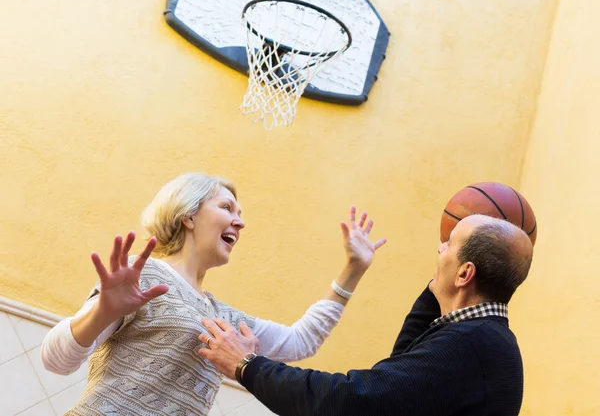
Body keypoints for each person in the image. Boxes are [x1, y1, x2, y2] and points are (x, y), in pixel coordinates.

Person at [40, 173, 386, 415]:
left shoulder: (227, 320)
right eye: (227, 208)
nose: (240, 222)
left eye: (240, 214)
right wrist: (102, 310)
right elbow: (56, 361)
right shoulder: (140, 274)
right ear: (188, 215)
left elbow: (301, 342)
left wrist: (353, 269)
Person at [199, 214, 534, 416]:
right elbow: (401, 364)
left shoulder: (471, 344)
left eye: (449, 244)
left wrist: (247, 365)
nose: (438, 248)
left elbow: (350, 400)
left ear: (464, 275)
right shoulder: (481, 339)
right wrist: (435, 289)